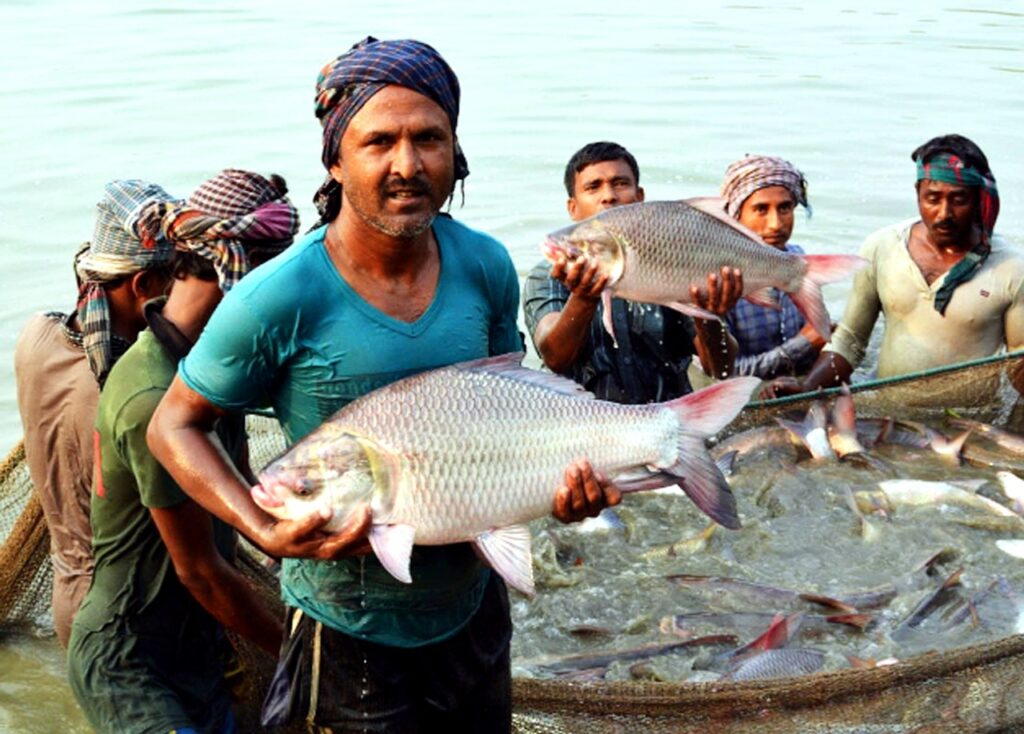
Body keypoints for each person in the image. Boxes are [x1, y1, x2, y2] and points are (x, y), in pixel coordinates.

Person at [146, 38, 619, 733]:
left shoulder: (485, 265)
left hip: (474, 613)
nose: (408, 164)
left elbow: (510, 407)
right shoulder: (280, 294)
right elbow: (173, 424)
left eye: (429, 138)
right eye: (379, 142)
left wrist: (559, 486)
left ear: (454, 150)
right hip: (348, 629)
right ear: (336, 161)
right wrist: (261, 527)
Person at [67, 169, 299, 734]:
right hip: (129, 660)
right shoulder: (153, 397)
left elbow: (243, 489)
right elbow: (200, 572)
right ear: (242, 274)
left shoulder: (213, 366)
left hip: (194, 646)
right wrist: (300, 655)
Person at [13, 180, 177, 646]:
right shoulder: (134, 391)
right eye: (178, 278)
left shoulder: (35, 338)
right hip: (129, 612)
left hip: (70, 599)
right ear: (143, 285)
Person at [769, 134, 1024, 397]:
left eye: (959, 200)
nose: (944, 214)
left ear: (979, 200)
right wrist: (807, 388)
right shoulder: (883, 247)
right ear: (918, 193)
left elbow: (1018, 363)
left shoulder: (1011, 269)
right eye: (933, 198)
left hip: (972, 416)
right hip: (887, 411)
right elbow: (850, 339)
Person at [523, 141, 742, 404]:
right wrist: (584, 297)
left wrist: (707, 314)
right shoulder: (547, 275)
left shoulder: (672, 261)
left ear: (639, 198)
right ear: (573, 208)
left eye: (620, 183)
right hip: (583, 422)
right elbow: (555, 359)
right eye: (593, 187)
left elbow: (720, 369)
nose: (608, 196)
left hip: (670, 417)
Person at [720, 154, 828, 379]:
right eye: (761, 209)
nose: (775, 224)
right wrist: (804, 344)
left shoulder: (799, 259)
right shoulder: (719, 278)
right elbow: (723, 372)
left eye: (785, 208)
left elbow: (820, 338)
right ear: (735, 214)